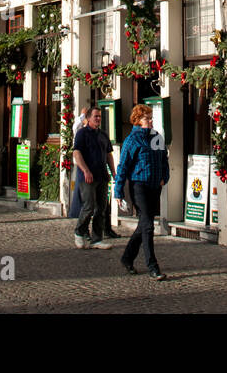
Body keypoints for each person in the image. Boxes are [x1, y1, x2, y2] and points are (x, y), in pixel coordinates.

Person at [114, 104, 169, 279]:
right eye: (147, 118)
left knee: (144, 224)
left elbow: (164, 160)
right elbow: (123, 167)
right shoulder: (132, 140)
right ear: (138, 121)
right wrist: (118, 191)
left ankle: (127, 258)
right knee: (148, 226)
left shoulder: (157, 137)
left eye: (151, 118)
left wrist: (164, 178)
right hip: (139, 186)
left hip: (154, 186)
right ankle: (152, 266)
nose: (151, 121)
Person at [72, 106, 111, 250]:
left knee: (101, 208)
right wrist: (86, 170)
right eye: (96, 116)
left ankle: (96, 239)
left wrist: (113, 172)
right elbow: (77, 153)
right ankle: (79, 232)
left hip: (102, 175)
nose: (98, 119)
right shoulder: (82, 134)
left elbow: (108, 154)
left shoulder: (103, 135)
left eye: (100, 116)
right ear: (88, 118)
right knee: (88, 207)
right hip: (87, 176)